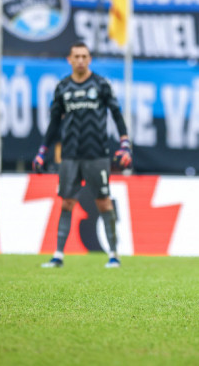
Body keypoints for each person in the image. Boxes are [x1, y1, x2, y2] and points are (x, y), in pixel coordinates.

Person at [34, 42, 132, 269]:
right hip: (69, 155)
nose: (80, 60)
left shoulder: (101, 85)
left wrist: (125, 142)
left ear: (89, 59)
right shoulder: (62, 88)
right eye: (76, 56)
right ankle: (58, 255)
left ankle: (114, 255)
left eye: (84, 56)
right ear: (69, 59)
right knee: (67, 202)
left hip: (97, 153)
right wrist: (43, 151)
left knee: (103, 202)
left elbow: (117, 115)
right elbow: (53, 124)